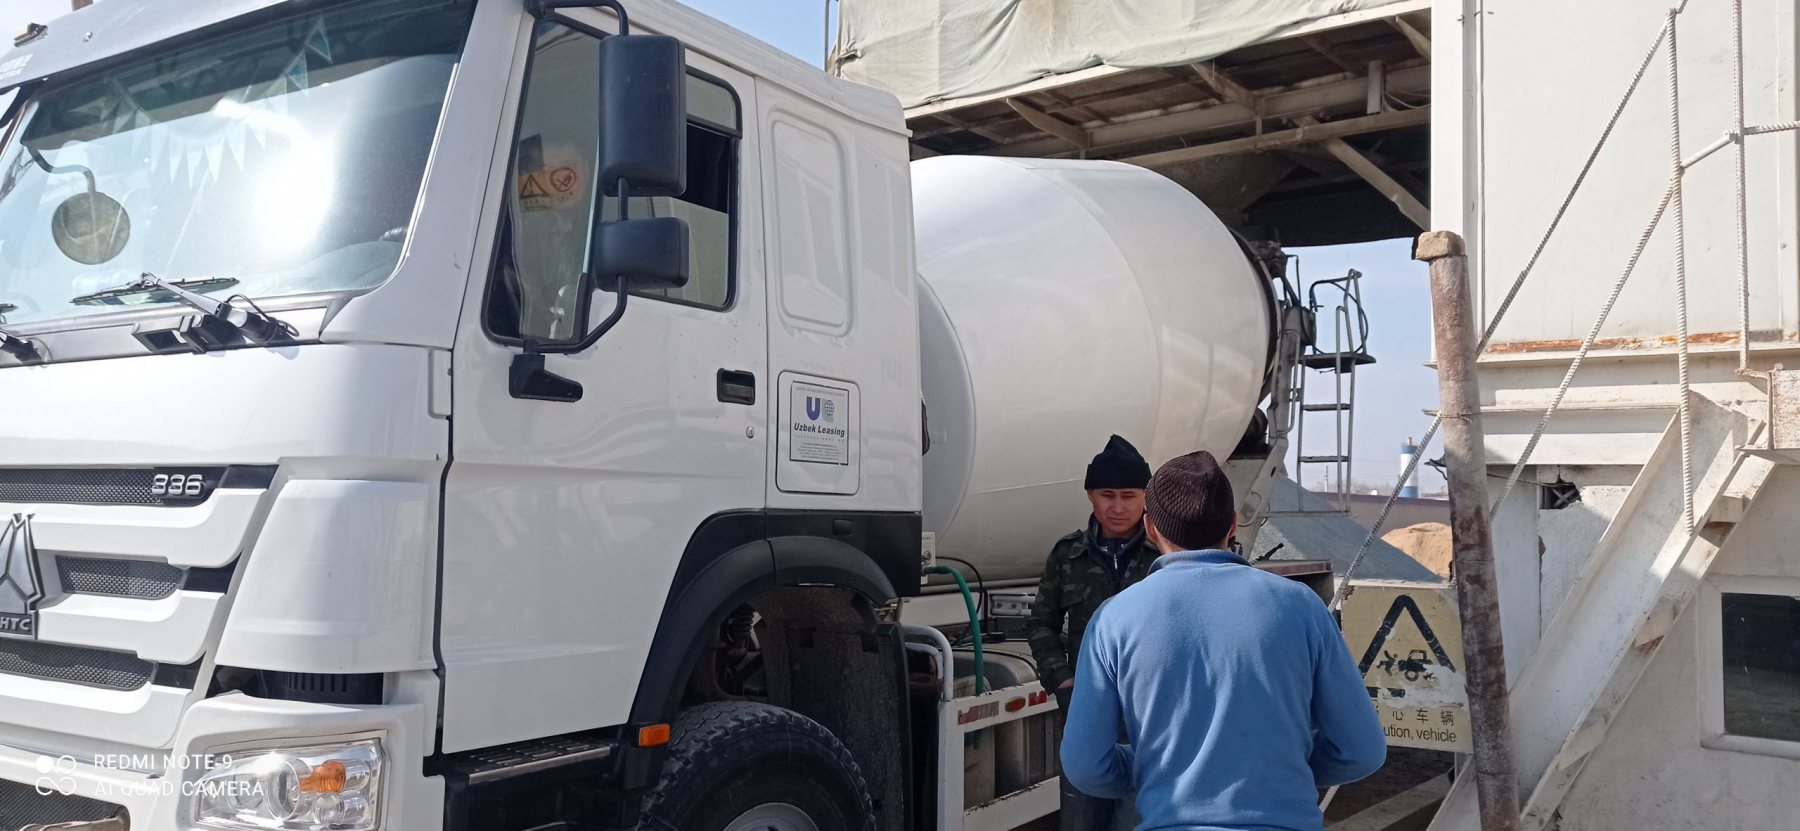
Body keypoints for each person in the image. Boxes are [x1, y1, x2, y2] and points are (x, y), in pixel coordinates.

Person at [1060, 450, 1386, 831]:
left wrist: (1151, 769)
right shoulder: (1301, 607)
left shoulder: (1114, 619)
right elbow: (1363, 750)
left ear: (1150, 527)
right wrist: (1282, 770)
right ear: (1232, 524)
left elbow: (1084, 766)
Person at [1028, 434, 1159, 831]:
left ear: (1145, 498)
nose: (1117, 507)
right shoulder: (1067, 556)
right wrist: (1063, 681)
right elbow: (1041, 623)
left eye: (1129, 496)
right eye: (1107, 495)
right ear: (1090, 496)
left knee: (1141, 821)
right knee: (1081, 821)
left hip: (1150, 722)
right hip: (1086, 718)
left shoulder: (1165, 557)